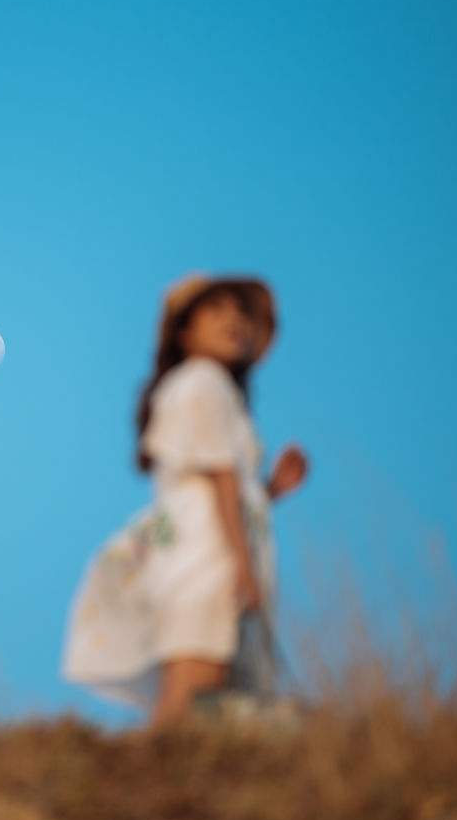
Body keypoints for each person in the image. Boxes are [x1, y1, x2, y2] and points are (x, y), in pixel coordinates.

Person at [61, 271, 309, 730]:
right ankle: (150, 782)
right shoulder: (205, 381)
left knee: (197, 689)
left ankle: (157, 777)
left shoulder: (199, 387)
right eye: (216, 310)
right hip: (205, 558)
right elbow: (221, 477)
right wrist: (242, 565)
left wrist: (270, 492)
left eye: (241, 313)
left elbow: (216, 489)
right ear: (183, 331)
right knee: (197, 685)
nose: (234, 320)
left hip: (188, 551)